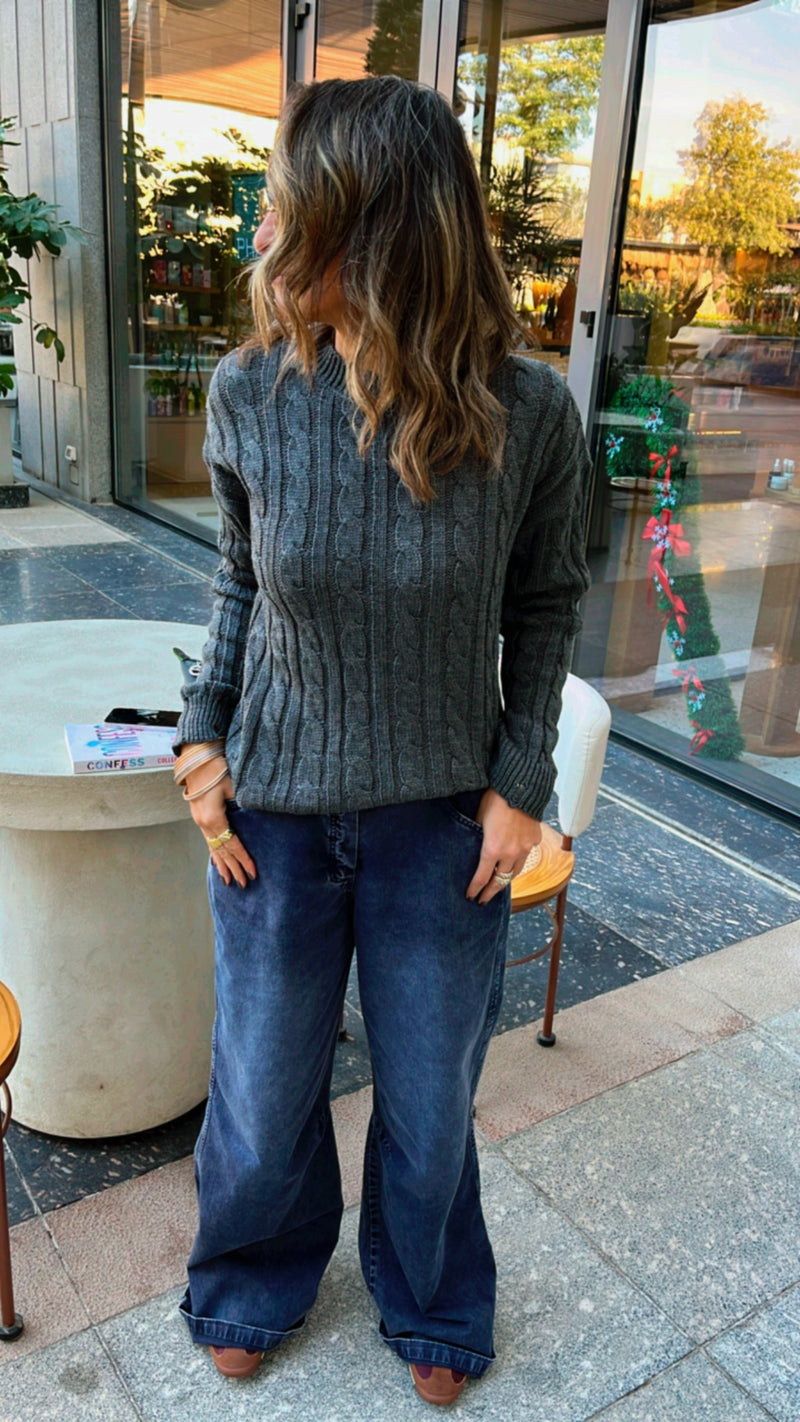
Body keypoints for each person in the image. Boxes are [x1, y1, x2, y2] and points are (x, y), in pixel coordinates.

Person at [172, 75, 591, 1409]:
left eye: (286, 206)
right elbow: (239, 580)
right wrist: (202, 736)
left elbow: (547, 602)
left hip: (440, 825)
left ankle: (432, 1295)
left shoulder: (528, 413)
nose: (262, 235)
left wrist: (520, 783)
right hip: (274, 816)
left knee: (428, 1100)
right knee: (261, 1088)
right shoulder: (248, 392)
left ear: (373, 231)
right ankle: (250, 1275)